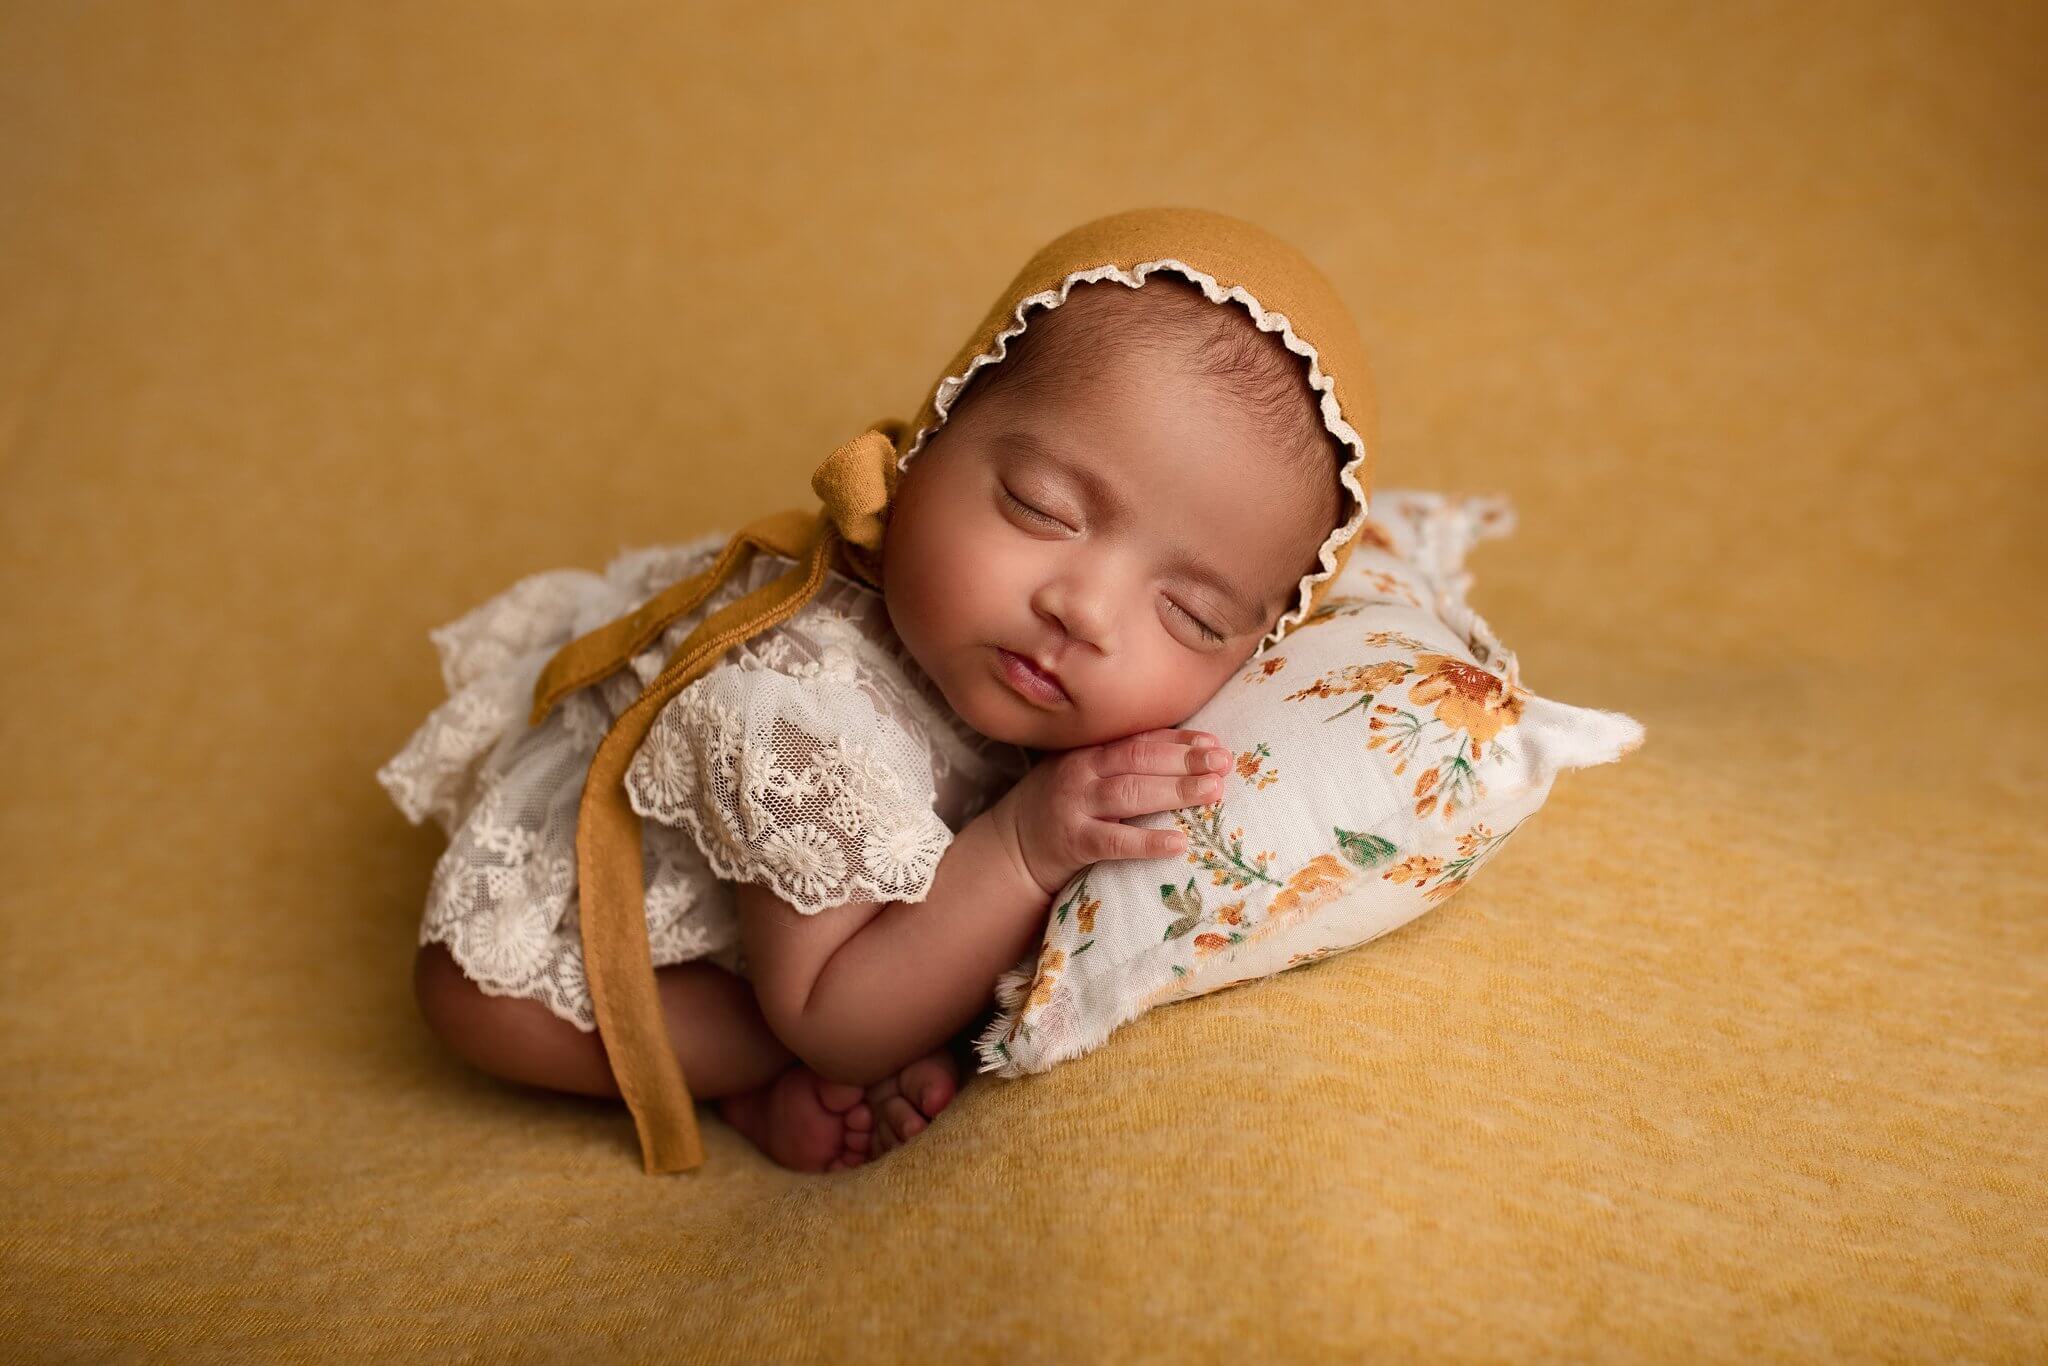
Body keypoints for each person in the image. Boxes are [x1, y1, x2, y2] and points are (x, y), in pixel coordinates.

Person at [377, 207, 1378, 1174]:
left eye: (1191, 615)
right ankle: (742, 1083)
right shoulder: (801, 710)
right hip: (734, 933)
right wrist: (1025, 844)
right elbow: (833, 1016)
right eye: (1040, 507)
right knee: (469, 998)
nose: (1085, 611)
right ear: (927, 440)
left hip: (843, 934)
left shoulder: (1075, 644)